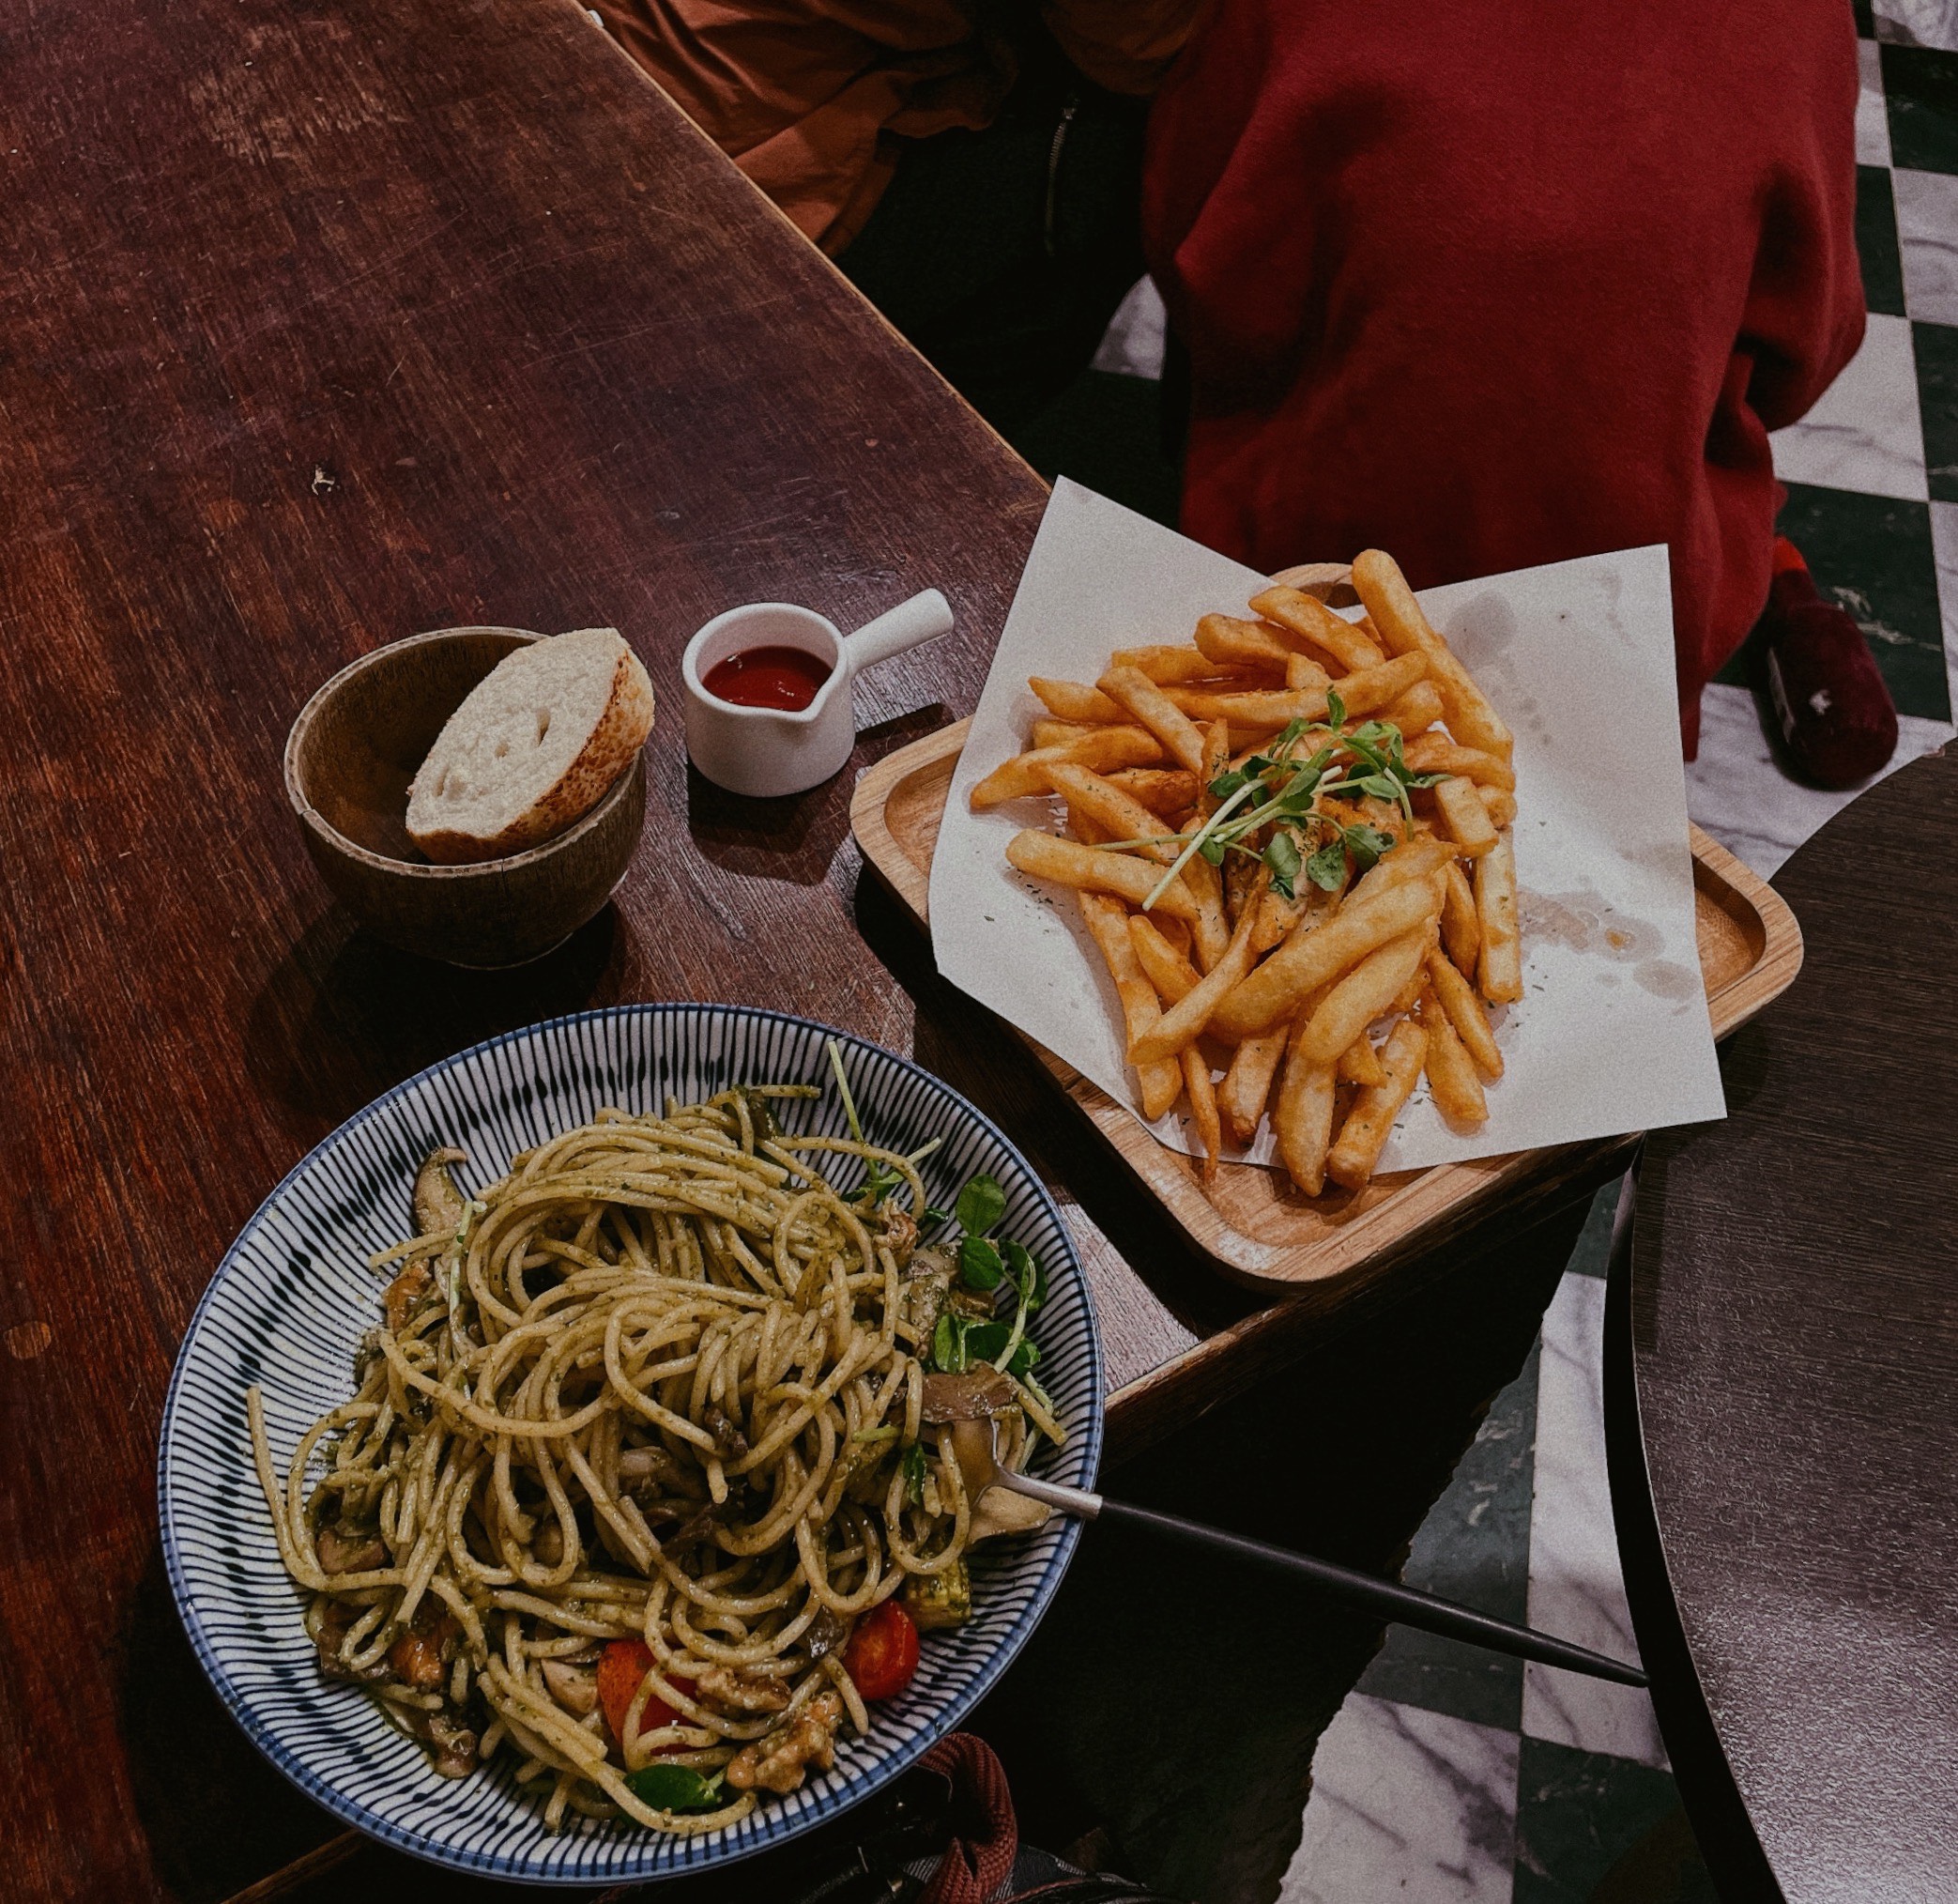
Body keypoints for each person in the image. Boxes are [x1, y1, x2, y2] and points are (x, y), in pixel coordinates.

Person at [1141, 0, 1898, 781]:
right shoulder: (1800, 19)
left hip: (1302, 578)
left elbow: (1205, 268)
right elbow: (1808, 352)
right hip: (1627, 623)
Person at [595, 0, 1201, 431]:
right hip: (706, 157)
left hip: (584, 46)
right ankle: (933, 451)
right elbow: (1134, 50)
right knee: (1138, 144)